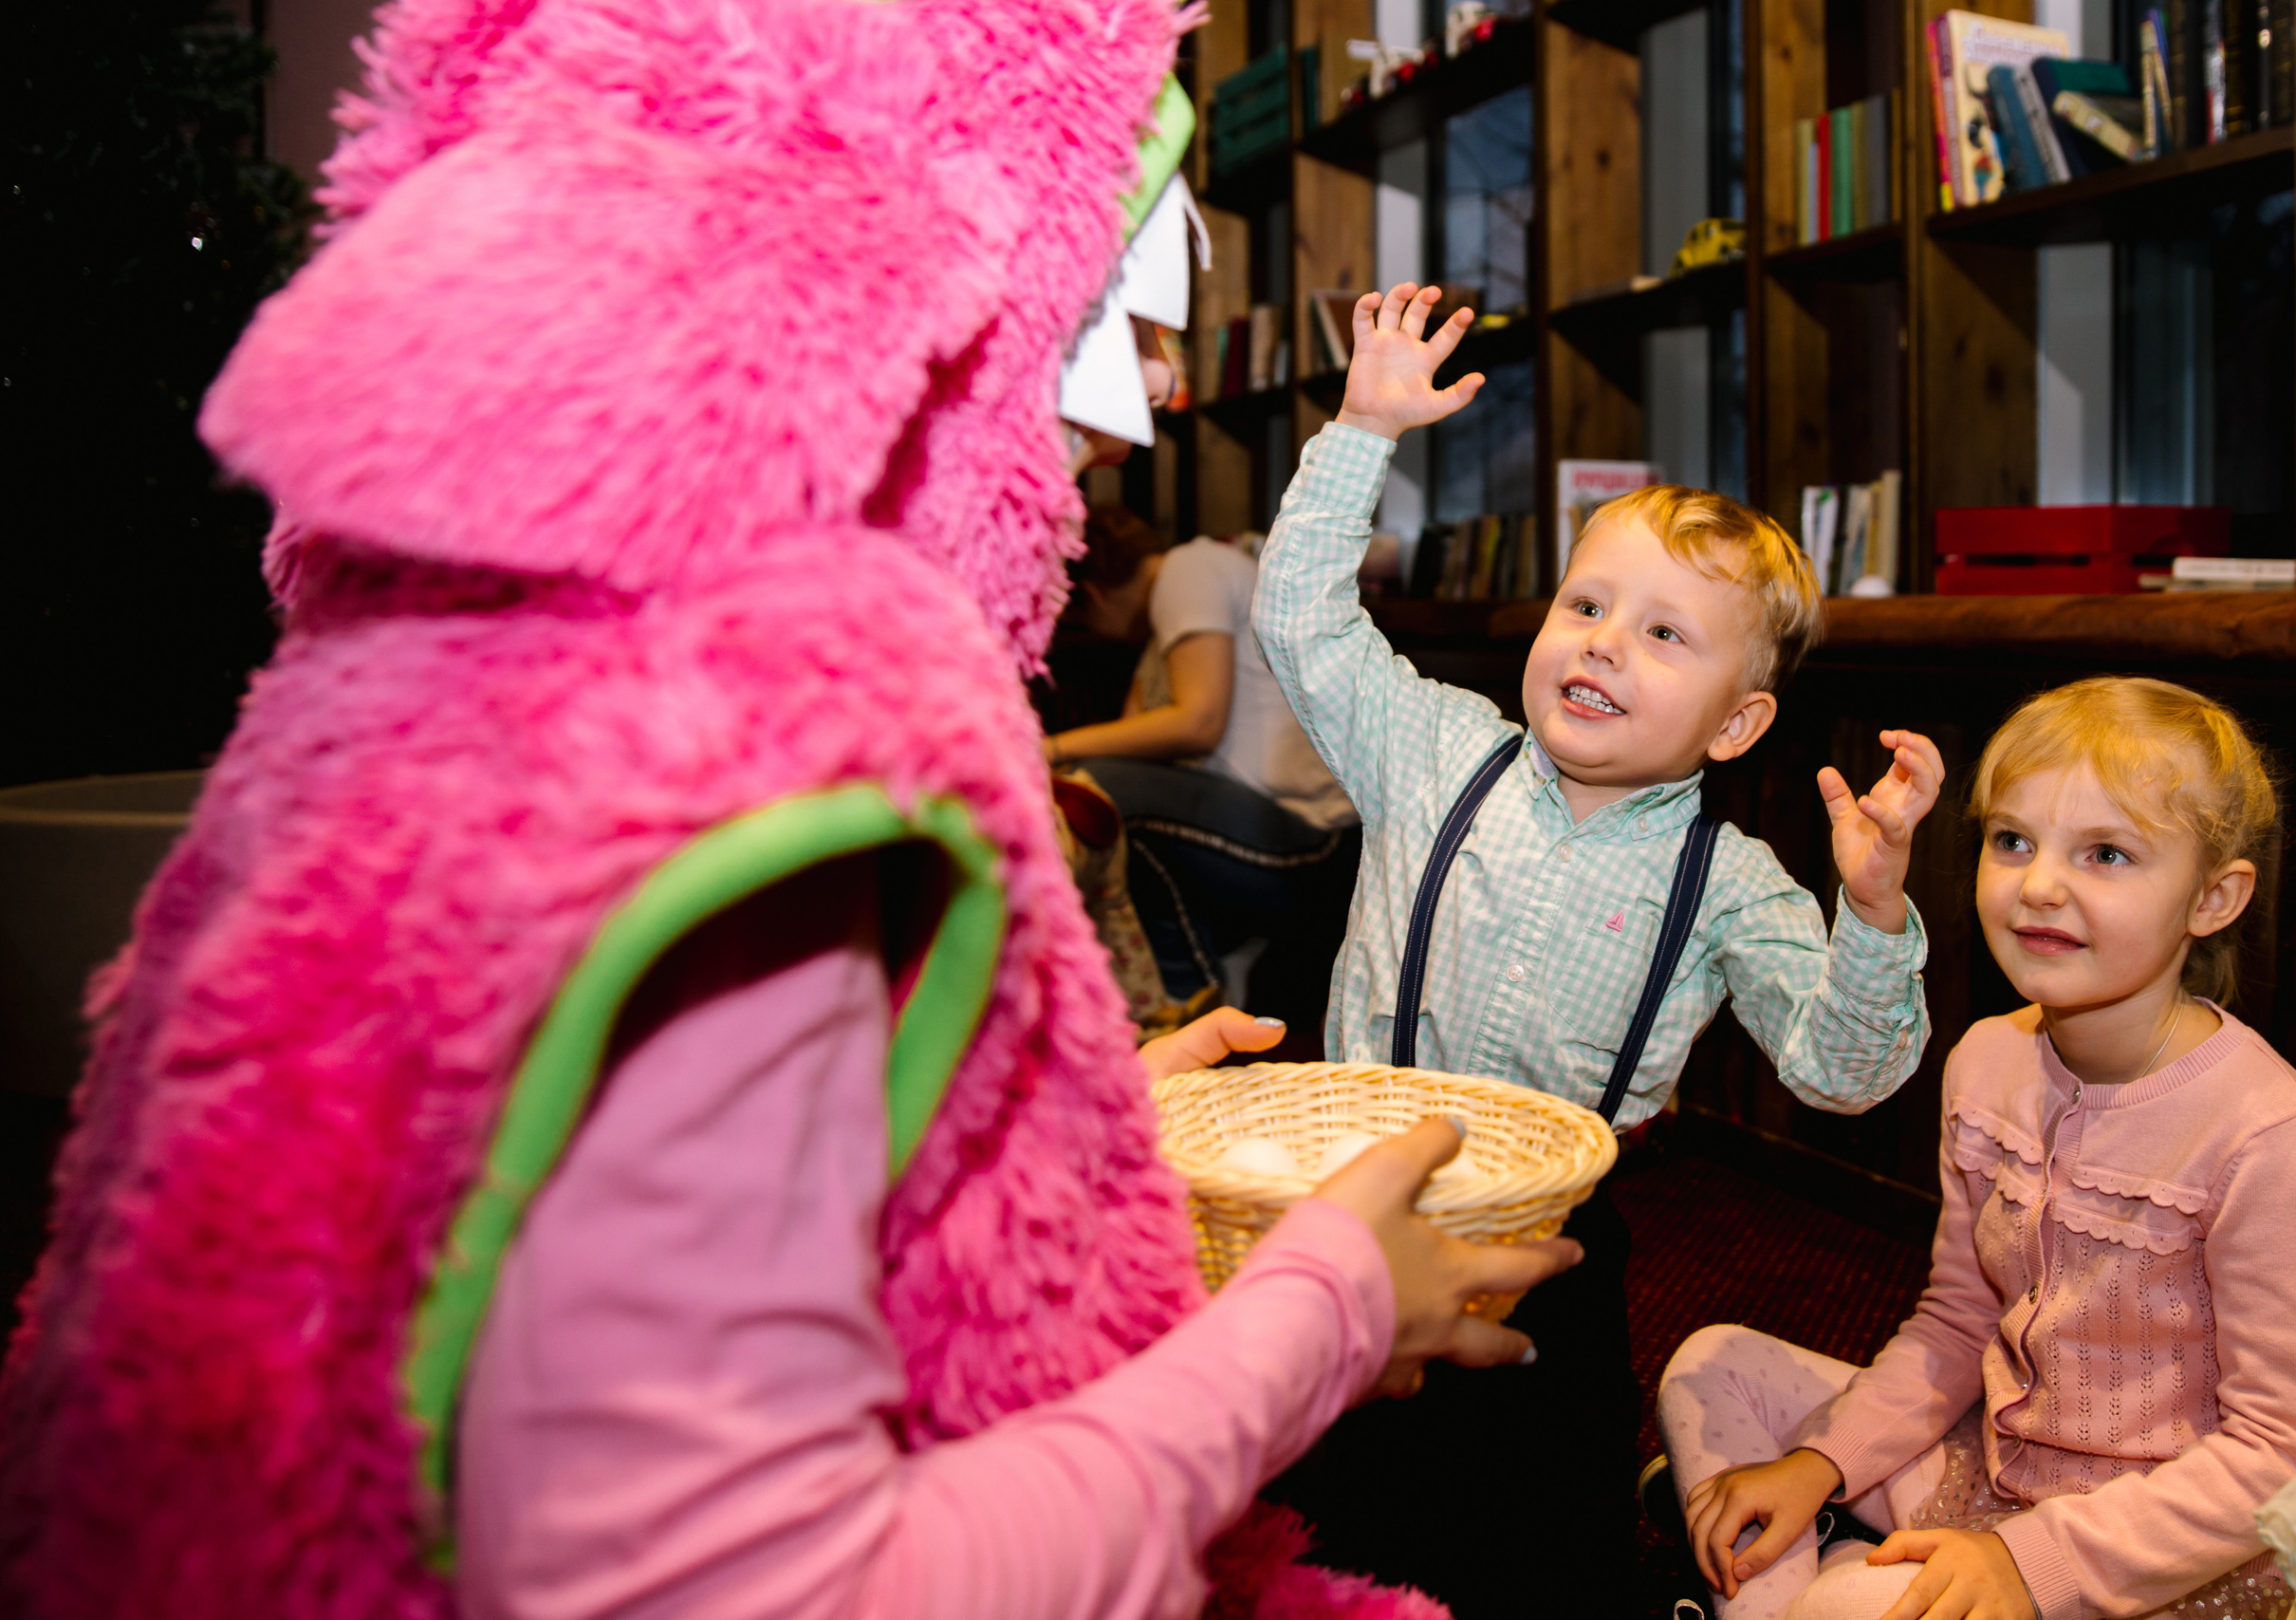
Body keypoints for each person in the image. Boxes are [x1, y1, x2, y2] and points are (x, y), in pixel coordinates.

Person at [0, 6, 1579, 1618]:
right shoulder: (758, 762)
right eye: (1123, 310)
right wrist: (1315, 1316)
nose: (1157, 400)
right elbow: (754, 1585)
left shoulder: (431, 681)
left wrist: (1049, 1113)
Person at [1246, 283, 1942, 1616]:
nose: (1605, 643)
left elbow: (1845, 1071)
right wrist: (1361, 429)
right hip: (1357, 1201)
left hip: (1556, 1249)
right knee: (1327, 1510)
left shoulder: (1730, 881)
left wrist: (1866, 916)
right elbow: (1304, 624)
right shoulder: (1432, 745)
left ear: (1736, 726)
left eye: (1664, 633)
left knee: (1540, 1532)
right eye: (1587, 604)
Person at [1655, 678, 2296, 1620]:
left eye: (2105, 853)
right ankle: (1797, 1576)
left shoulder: (2271, 1133)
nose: (2039, 886)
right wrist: (1817, 1466)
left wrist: (2030, 1566)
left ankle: (1815, 1589)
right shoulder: (1986, 1060)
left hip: (2157, 1554)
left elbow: (2285, 1452)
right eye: (2012, 841)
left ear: (2213, 899)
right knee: (1708, 1365)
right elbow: (1956, 1320)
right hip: (1987, 1466)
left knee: (1839, 1607)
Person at [1048, 505, 1360, 1033]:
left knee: (1102, 789)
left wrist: (1050, 748)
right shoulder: (1170, 623)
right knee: (1121, 815)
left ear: (1093, 596)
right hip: (1275, 835)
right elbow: (1148, 734)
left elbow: (1200, 721)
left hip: (1315, 842)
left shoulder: (1185, 570)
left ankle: (1184, 1004)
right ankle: (1187, 988)